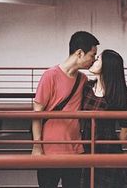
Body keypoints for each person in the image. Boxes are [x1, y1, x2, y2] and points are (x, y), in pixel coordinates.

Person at [32, 31, 99, 188]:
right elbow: (37, 114)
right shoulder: (50, 76)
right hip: (49, 150)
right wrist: (37, 146)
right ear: (79, 53)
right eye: (92, 54)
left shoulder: (82, 79)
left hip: (75, 150)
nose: (93, 59)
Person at [80, 49, 127, 188]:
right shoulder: (87, 87)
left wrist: (114, 148)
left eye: (98, 59)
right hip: (85, 145)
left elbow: (125, 129)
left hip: (107, 148)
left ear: (107, 67)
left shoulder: (116, 95)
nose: (94, 60)